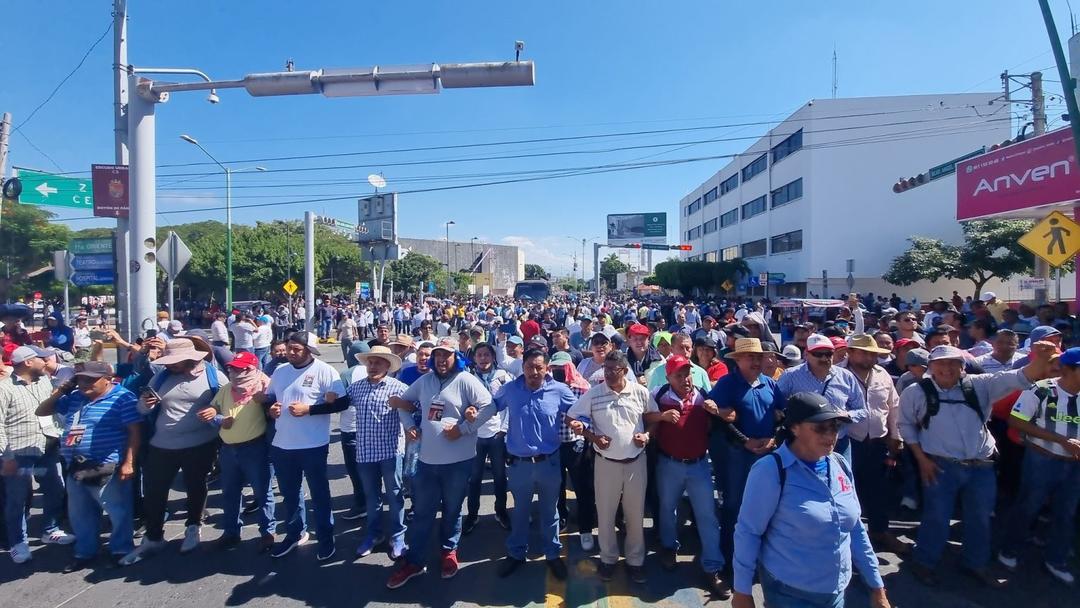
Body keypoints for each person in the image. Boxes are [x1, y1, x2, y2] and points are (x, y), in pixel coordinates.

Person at [899, 343, 1056, 588]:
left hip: (981, 467)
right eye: (941, 363)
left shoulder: (981, 384)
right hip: (940, 466)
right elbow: (906, 426)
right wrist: (921, 460)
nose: (947, 368)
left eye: (953, 362)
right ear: (930, 367)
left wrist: (1041, 358)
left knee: (980, 518)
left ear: (963, 366)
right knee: (937, 518)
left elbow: (1019, 377)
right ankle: (924, 562)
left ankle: (975, 563)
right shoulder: (915, 392)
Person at [732, 392, 891, 608]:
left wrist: (877, 586)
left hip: (835, 591)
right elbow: (748, 531)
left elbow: (854, 528)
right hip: (789, 593)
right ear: (795, 428)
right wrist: (742, 591)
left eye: (834, 427)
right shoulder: (770, 471)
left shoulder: (840, 465)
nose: (830, 435)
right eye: (820, 428)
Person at [386, 337, 494, 589]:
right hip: (427, 461)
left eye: (446, 355)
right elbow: (403, 402)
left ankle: (449, 552)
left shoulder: (466, 380)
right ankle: (414, 561)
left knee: (453, 510)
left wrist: (465, 428)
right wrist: (409, 425)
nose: (441, 360)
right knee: (423, 512)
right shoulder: (424, 381)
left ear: (455, 357)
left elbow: (489, 407)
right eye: (437, 356)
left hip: (458, 462)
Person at [122, 338, 228, 565]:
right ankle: (153, 536)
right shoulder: (160, 377)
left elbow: (225, 406)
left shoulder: (214, 378)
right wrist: (145, 404)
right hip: (162, 443)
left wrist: (212, 412)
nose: (170, 365)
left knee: (195, 486)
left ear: (189, 359)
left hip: (200, 443)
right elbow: (141, 409)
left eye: (175, 362)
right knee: (155, 491)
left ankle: (193, 526)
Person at [36, 361, 141, 572]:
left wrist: (129, 463)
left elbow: (135, 432)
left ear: (107, 380)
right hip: (75, 466)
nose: (85, 383)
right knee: (80, 512)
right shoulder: (75, 397)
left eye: (91, 379)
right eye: (81, 379)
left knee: (116, 511)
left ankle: (120, 549)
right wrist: (63, 390)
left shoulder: (123, 398)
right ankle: (85, 551)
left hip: (106, 465)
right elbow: (42, 410)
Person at [566, 350, 657, 584]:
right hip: (606, 465)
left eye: (612, 370)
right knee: (605, 514)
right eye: (605, 369)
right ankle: (608, 559)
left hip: (636, 463)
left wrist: (646, 436)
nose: (606, 373)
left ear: (625, 371)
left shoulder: (640, 392)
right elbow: (571, 416)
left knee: (635, 515)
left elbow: (653, 418)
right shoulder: (595, 394)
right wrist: (591, 436)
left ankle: (635, 561)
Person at [649, 355, 731, 598]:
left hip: (699, 466)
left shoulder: (705, 396)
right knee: (667, 509)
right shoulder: (659, 394)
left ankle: (712, 566)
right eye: (679, 375)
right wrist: (661, 417)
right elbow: (645, 416)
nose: (685, 379)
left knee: (707, 515)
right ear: (669, 377)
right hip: (668, 463)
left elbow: (727, 417)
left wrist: (718, 412)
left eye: (688, 374)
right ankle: (668, 547)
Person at [998, 346, 1080, 584]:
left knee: (1066, 512)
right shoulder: (1041, 390)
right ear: (1068, 370)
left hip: (1074, 465)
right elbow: (1016, 420)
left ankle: (1056, 559)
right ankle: (1009, 550)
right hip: (1042, 460)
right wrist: (1061, 440)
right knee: (1028, 506)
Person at [493, 349, 576, 581]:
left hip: (549, 463)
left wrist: (581, 423)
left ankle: (552, 554)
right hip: (520, 465)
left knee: (551, 512)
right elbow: (490, 405)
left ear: (547, 368)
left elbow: (579, 411)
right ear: (523, 367)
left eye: (539, 367)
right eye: (530, 367)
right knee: (520, 511)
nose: (534, 372)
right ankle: (516, 553)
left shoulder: (559, 391)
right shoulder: (510, 389)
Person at [265, 331, 345, 561]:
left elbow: (341, 403)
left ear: (309, 350)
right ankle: (294, 533)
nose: (290, 353)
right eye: (289, 348)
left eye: (296, 349)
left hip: (313, 444)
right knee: (290, 494)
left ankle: (326, 537)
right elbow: (271, 399)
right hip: (282, 444)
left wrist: (310, 410)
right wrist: (270, 411)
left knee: (319, 494)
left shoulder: (325, 371)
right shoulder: (280, 372)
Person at [707, 338, 784, 565]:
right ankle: (730, 557)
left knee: (766, 504)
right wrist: (744, 441)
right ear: (738, 359)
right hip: (738, 456)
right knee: (734, 505)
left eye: (758, 357)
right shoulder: (727, 384)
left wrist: (773, 439)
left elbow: (781, 415)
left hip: (767, 455)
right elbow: (719, 420)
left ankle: (761, 555)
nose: (755, 361)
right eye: (750, 356)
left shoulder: (769, 384)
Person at [0, 346, 73, 564]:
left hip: (47, 448)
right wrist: (6, 457)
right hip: (18, 454)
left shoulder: (43, 381)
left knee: (55, 489)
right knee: (17, 498)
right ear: (28, 362)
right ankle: (18, 542)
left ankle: (50, 529)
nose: (47, 362)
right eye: (41, 359)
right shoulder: (4, 389)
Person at [839, 334, 908, 554]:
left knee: (878, 490)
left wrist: (896, 435)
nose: (870, 357)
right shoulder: (837, 374)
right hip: (848, 442)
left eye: (872, 353)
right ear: (850, 352)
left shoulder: (882, 374)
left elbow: (893, 406)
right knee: (847, 491)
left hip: (878, 442)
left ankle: (879, 530)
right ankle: (847, 537)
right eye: (864, 352)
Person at [206, 351, 276, 553]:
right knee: (230, 492)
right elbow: (213, 411)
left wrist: (267, 401)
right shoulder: (227, 389)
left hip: (255, 447)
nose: (235, 372)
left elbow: (276, 411)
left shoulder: (265, 385)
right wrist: (217, 419)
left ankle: (267, 532)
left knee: (262, 492)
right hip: (228, 449)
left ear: (251, 368)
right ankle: (231, 532)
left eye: (239, 368)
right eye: (232, 368)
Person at [348, 345, 410, 561]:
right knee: (372, 498)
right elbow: (338, 404)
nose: (373, 366)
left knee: (394, 495)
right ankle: (374, 534)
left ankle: (398, 535)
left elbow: (414, 408)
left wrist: (403, 405)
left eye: (378, 363)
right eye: (370, 362)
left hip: (390, 451)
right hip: (365, 452)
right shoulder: (355, 388)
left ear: (387, 365)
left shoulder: (399, 387)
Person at [777, 334, 867, 461]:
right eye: (818, 354)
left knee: (841, 479)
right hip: (804, 443)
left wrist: (847, 415)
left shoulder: (846, 376)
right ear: (807, 354)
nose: (824, 358)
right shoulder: (791, 376)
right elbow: (775, 404)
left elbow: (862, 410)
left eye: (828, 354)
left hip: (838, 442)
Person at [548, 351, 597, 551]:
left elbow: (592, 416)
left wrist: (585, 433)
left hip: (577, 444)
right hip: (554, 444)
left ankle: (586, 528)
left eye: (563, 368)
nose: (560, 372)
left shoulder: (583, 387)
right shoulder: (547, 387)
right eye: (556, 368)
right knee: (556, 488)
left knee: (583, 488)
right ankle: (562, 519)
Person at [464, 343, 512, 533]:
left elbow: (510, 405)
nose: (483, 358)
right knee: (474, 478)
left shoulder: (503, 377)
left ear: (493, 357)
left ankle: (501, 511)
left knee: (500, 477)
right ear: (474, 358)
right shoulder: (467, 378)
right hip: (475, 435)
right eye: (479, 355)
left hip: (496, 434)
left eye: (486, 355)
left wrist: (504, 429)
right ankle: (472, 514)